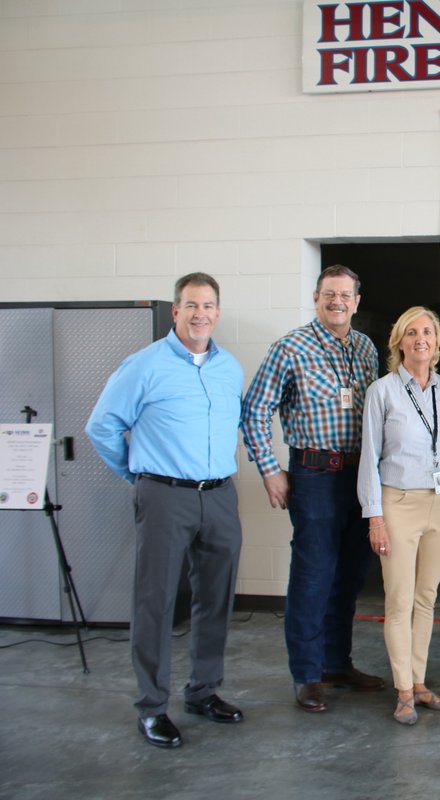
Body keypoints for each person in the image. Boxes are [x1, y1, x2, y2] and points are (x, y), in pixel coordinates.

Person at [86, 273, 245, 749]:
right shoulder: (144, 365)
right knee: (155, 601)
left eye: (209, 306)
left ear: (218, 312)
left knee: (216, 598)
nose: (201, 314)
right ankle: (152, 707)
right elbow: (102, 427)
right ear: (175, 311)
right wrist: (138, 477)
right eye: (191, 305)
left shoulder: (229, 368)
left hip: (219, 494)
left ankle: (203, 691)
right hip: (165, 494)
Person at [241, 265, 385, 712]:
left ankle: (336, 663)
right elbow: (254, 411)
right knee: (313, 575)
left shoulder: (364, 348)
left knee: (349, 577)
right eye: (329, 294)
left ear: (357, 301)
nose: (337, 301)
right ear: (316, 298)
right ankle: (306, 674)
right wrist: (270, 469)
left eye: (345, 295)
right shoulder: (290, 348)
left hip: (360, 476)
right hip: (315, 475)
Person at [358, 307, 440, 725]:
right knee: (400, 600)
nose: (421, 338)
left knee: (427, 598)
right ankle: (403, 690)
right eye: (412, 332)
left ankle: (420, 683)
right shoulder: (382, 391)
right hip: (398, 503)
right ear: (399, 343)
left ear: (437, 343)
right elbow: (369, 458)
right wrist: (375, 517)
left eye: (428, 332)